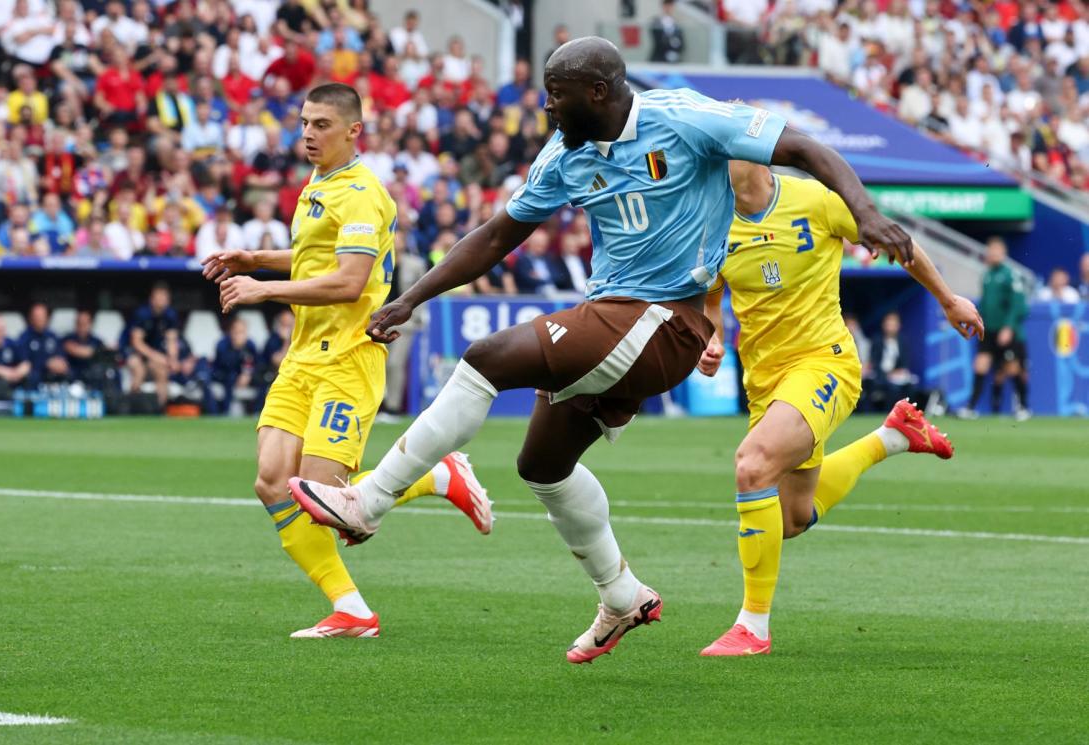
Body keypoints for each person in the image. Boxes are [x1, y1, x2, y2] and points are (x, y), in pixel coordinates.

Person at [287, 37, 916, 664]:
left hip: (666, 320)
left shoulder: (683, 117)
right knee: (543, 465)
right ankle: (621, 594)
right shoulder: (564, 154)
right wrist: (412, 298)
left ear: (599, 92)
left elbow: (806, 147)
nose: (546, 107)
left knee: (486, 357)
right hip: (614, 320)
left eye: (557, 95)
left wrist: (866, 212)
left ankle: (365, 502)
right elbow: (499, 234)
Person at [200, 83, 493, 639]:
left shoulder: (361, 193)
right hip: (304, 354)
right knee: (271, 482)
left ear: (353, 130)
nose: (309, 134)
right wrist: (258, 259)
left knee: (322, 495)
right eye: (305, 122)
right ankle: (352, 610)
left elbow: (350, 279)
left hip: (348, 357)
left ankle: (436, 476)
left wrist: (263, 290)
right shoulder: (319, 182)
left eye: (322, 125)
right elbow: (320, 254)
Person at [695, 162, 982, 656]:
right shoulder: (711, 223)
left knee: (752, 465)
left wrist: (947, 298)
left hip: (824, 364)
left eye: (729, 146)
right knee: (790, 520)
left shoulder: (817, 201)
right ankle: (892, 437)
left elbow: (898, 243)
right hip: (765, 382)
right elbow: (711, 301)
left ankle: (752, 628)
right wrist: (712, 340)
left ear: (757, 157)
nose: (716, 156)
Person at [958, 238, 1030, 420]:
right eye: (991, 251)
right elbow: (984, 304)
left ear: (1003, 254)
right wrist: (976, 320)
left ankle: (1022, 407)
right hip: (988, 331)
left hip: (1006, 330)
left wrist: (1008, 327)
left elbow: (1018, 305)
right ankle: (970, 407)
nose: (993, 254)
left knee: (1013, 368)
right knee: (980, 365)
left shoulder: (1011, 275)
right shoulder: (987, 275)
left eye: (997, 251)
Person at [125, 283, 181, 408]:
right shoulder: (142, 314)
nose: (162, 300)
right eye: (159, 297)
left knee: (162, 371)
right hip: (137, 354)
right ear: (152, 298)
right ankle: (132, 407)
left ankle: (160, 409)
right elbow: (136, 343)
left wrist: (173, 360)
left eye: (164, 297)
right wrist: (158, 357)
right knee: (137, 369)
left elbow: (172, 340)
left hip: (156, 357)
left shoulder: (170, 315)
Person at [866, 312, 917, 410]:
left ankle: (907, 412)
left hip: (897, 376)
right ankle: (890, 413)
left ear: (898, 326)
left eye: (894, 324)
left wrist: (900, 371)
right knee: (893, 388)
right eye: (889, 324)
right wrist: (886, 374)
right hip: (880, 376)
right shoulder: (877, 340)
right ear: (884, 325)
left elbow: (905, 362)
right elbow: (874, 362)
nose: (891, 327)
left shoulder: (902, 341)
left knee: (910, 387)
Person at [209, 316, 258, 415]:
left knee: (263, 379)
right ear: (231, 331)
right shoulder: (222, 343)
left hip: (243, 375)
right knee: (230, 377)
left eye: (242, 332)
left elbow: (255, 362)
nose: (240, 335)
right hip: (223, 374)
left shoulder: (250, 344)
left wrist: (247, 374)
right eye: (237, 331)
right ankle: (225, 411)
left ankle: (257, 412)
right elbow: (226, 364)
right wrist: (237, 348)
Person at [17, 302, 70, 389]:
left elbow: (62, 359)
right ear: (31, 318)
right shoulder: (24, 338)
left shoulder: (53, 336)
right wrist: (46, 363)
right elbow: (24, 363)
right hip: (35, 378)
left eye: (42, 316)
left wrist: (61, 364)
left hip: (53, 377)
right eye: (36, 316)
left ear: (47, 318)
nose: (39, 319)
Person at [62, 310, 107, 386]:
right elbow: (67, 348)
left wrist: (78, 350)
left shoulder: (97, 341)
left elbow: (102, 355)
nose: (82, 327)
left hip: (91, 377)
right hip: (72, 376)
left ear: (90, 324)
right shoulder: (68, 338)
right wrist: (90, 352)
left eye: (84, 324)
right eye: (79, 323)